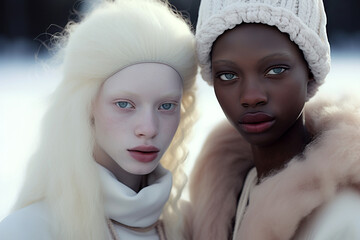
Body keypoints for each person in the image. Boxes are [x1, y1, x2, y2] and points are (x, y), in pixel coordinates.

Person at [0, 0, 197, 239]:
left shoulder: (194, 225)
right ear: (86, 105)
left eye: (166, 106)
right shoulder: (29, 230)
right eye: (124, 104)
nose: (148, 128)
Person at [185, 0, 360, 239]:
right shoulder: (224, 200)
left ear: (309, 70)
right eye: (227, 75)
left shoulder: (346, 215)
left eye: (275, 70)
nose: (251, 97)